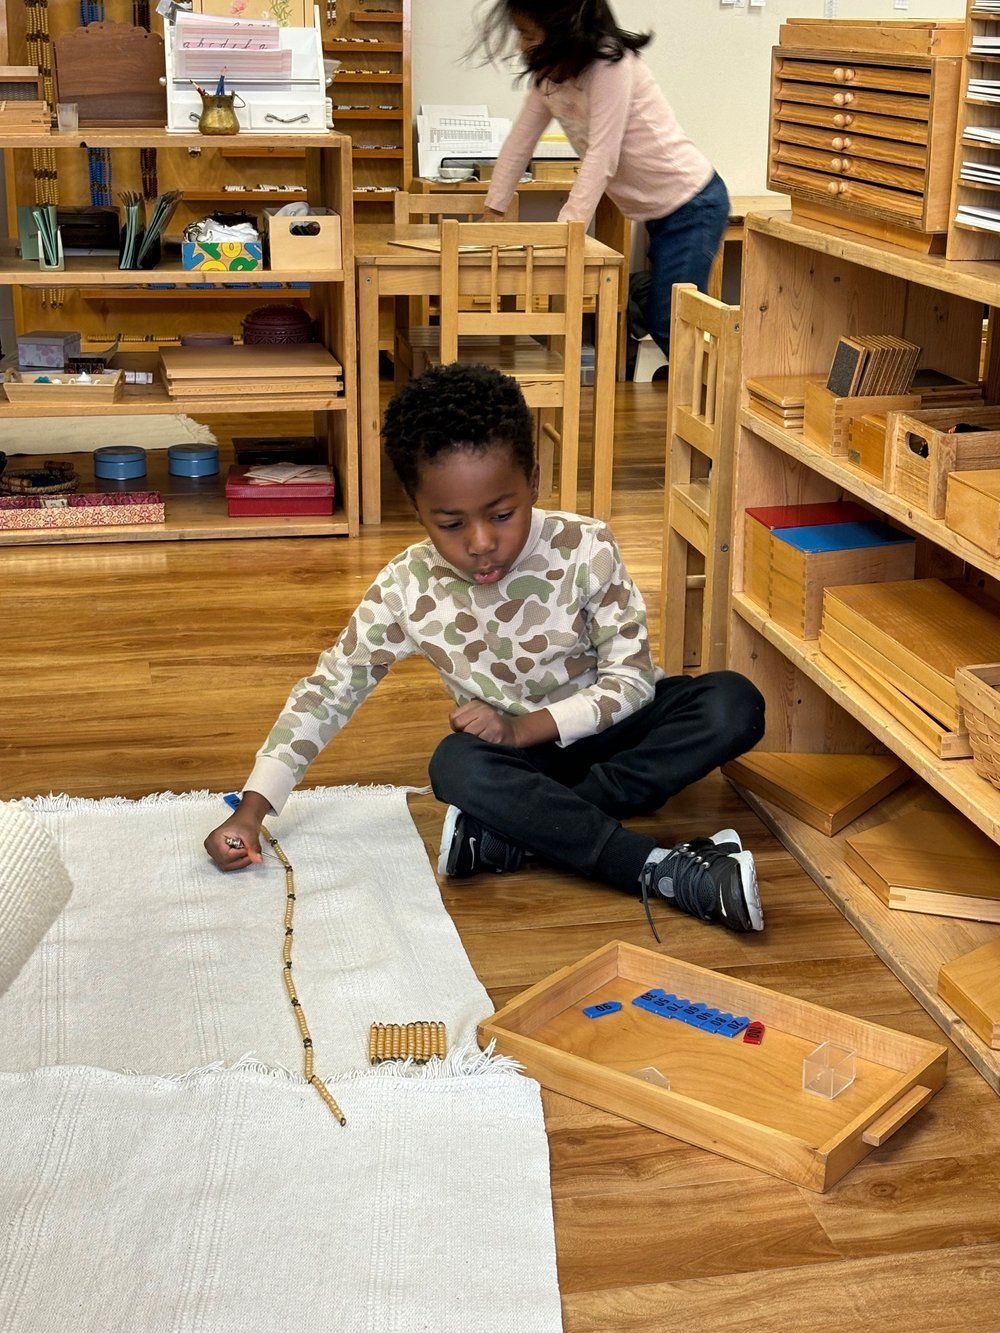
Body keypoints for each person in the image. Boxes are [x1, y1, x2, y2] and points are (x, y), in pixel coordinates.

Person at [204, 364, 766, 938]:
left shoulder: (585, 545)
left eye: (502, 515)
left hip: (617, 730)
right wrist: (253, 808)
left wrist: (522, 729)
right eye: (450, 524)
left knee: (733, 702)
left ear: (535, 482)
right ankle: (656, 869)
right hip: (520, 761)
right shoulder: (406, 586)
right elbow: (328, 691)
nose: (480, 543)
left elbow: (632, 681)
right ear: (418, 511)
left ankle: (522, 831)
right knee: (455, 765)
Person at [476, 0, 729, 359]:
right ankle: (708, 404)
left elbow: (602, 155)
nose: (521, 45)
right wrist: (493, 209)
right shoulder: (551, 76)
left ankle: (723, 406)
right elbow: (520, 142)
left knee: (672, 321)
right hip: (660, 212)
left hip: (694, 202)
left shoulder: (612, 65)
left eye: (528, 34)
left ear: (563, 29)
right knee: (668, 318)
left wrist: (568, 229)